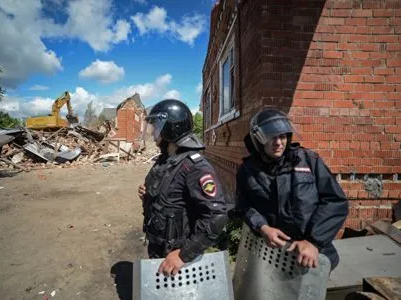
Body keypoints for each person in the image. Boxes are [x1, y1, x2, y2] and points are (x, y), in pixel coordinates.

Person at [235, 109, 348, 270]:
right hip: (273, 256)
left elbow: (335, 201)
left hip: (313, 255)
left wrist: (313, 242)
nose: (279, 142)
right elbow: (243, 206)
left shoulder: (308, 160)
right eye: (271, 137)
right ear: (258, 140)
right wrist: (262, 227)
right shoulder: (247, 170)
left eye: (282, 136)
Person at [138, 99, 228, 276]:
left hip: (178, 260)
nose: (153, 132)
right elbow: (169, 197)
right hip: (158, 249)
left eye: (156, 126)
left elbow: (216, 217)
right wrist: (147, 195)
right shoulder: (165, 160)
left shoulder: (195, 166)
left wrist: (183, 255)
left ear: (170, 127)